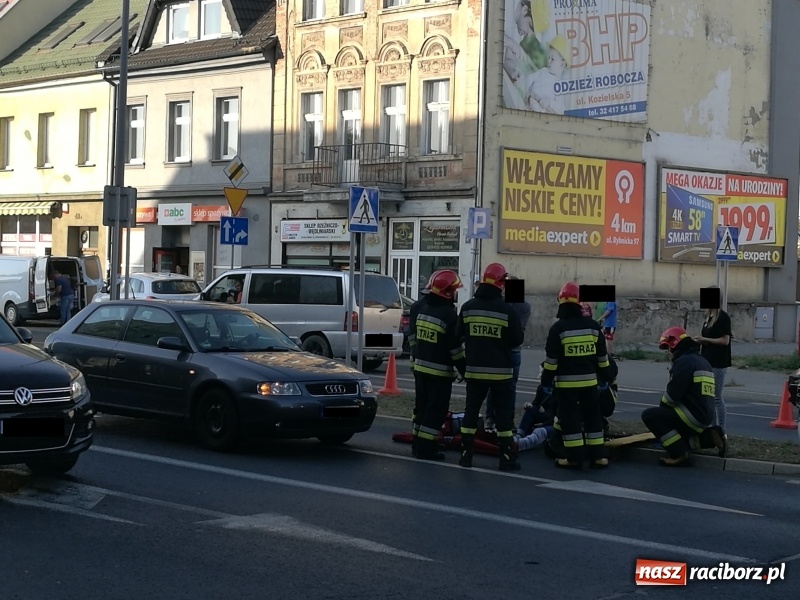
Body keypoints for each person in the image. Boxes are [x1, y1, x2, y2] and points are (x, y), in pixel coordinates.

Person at [456, 263, 524, 471]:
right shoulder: (507, 310)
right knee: (504, 418)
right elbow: (516, 341)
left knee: (470, 413)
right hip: (501, 374)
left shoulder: (468, 307)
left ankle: (466, 456)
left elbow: (458, 335)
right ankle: (506, 459)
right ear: (500, 284)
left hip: (474, 371)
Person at [541, 281, 610, 470]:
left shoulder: (558, 329)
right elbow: (602, 358)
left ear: (561, 302)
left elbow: (551, 361)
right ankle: (598, 457)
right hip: (590, 383)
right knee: (593, 417)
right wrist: (604, 378)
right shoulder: (593, 326)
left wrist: (545, 382)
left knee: (570, 420)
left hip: (566, 386)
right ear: (579, 303)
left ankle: (574, 458)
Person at [641, 327, 727, 467]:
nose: (669, 353)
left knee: (650, 416)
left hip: (690, 415)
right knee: (678, 437)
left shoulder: (683, 362)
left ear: (674, 345)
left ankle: (678, 453)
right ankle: (710, 437)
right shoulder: (702, 361)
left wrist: (661, 413)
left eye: (669, 348)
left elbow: (672, 397)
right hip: (704, 417)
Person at [408, 270, 466, 460]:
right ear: (448, 292)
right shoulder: (449, 316)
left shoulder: (424, 310)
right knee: (435, 411)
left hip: (421, 369)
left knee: (422, 407)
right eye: (454, 290)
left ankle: (417, 444)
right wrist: (464, 370)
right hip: (439, 373)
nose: (456, 294)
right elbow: (455, 350)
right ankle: (426, 448)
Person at [484, 275, 531, 432]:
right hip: (512, 350)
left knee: (494, 385)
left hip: (500, 349)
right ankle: (506, 421)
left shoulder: (502, 304)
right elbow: (520, 331)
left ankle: (491, 419)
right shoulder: (524, 306)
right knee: (510, 388)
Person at [694, 294, 732, 436]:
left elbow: (725, 340)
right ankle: (712, 428)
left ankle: (721, 430)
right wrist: (700, 341)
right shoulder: (708, 317)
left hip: (719, 362)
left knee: (717, 397)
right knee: (707, 396)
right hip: (706, 360)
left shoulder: (723, 317)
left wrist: (705, 339)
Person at [525, 35, 571, 115]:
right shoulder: (543, 72)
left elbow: (561, 108)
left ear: (562, 63)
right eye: (548, 57)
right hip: (530, 104)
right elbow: (529, 79)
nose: (549, 61)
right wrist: (528, 96)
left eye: (552, 59)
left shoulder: (560, 86)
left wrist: (550, 102)